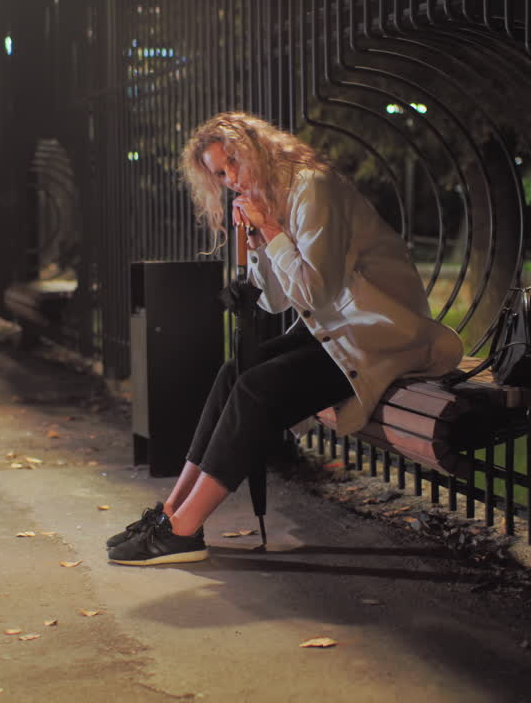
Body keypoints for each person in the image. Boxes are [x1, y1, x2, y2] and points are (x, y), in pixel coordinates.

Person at [106, 112, 465, 566]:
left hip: (379, 333)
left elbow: (316, 291)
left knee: (256, 390)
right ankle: (173, 512)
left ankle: (183, 530)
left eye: (233, 161)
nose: (233, 179)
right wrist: (258, 245)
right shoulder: (272, 196)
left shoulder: (312, 188)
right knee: (235, 373)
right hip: (336, 330)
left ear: (256, 148)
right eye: (221, 174)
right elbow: (278, 301)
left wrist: (273, 231)